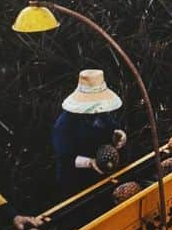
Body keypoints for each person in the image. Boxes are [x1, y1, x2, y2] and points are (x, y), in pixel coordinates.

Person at [52, 69, 128, 197]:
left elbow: (112, 128)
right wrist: (89, 162)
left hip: (102, 175)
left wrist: (119, 135)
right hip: (75, 183)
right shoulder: (64, 125)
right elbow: (64, 158)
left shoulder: (100, 113)